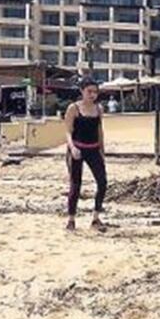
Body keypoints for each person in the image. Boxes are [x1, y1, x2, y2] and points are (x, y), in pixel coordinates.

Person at [64, 77, 107, 231]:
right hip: (77, 148)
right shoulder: (73, 108)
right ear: (82, 91)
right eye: (89, 91)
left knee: (102, 182)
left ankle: (96, 217)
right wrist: (72, 148)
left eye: (95, 92)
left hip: (93, 149)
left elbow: (99, 131)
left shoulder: (99, 109)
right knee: (76, 184)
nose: (92, 95)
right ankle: (71, 219)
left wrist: (102, 151)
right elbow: (68, 131)